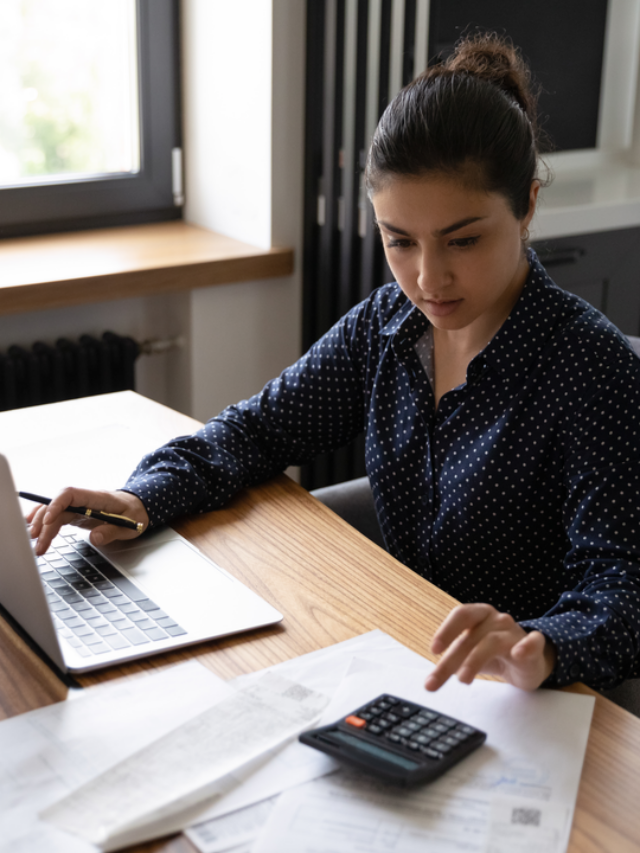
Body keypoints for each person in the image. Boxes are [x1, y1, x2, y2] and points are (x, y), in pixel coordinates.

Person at [29, 33, 640, 696]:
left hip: (542, 699)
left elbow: (623, 586)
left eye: (462, 239)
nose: (428, 277)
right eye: (399, 241)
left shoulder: (590, 370)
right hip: (406, 657)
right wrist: (139, 496)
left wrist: (539, 643)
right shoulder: (389, 327)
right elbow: (258, 429)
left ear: (526, 205)